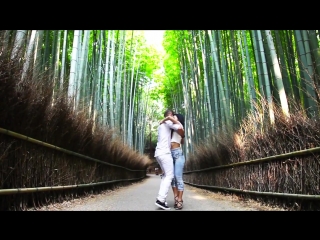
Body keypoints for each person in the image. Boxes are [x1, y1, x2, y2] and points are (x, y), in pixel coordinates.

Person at [154, 109, 185, 210]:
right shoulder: (168, 125)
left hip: (175, 153)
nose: (173, 118)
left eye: (175, 117)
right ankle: (165, 199)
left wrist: (168, 118)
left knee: (174, 177)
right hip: (167, 153)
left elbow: (181, 129)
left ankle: (178, 200)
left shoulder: (172, 125)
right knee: (170, 177)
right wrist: (169, 119)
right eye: (172, 116)